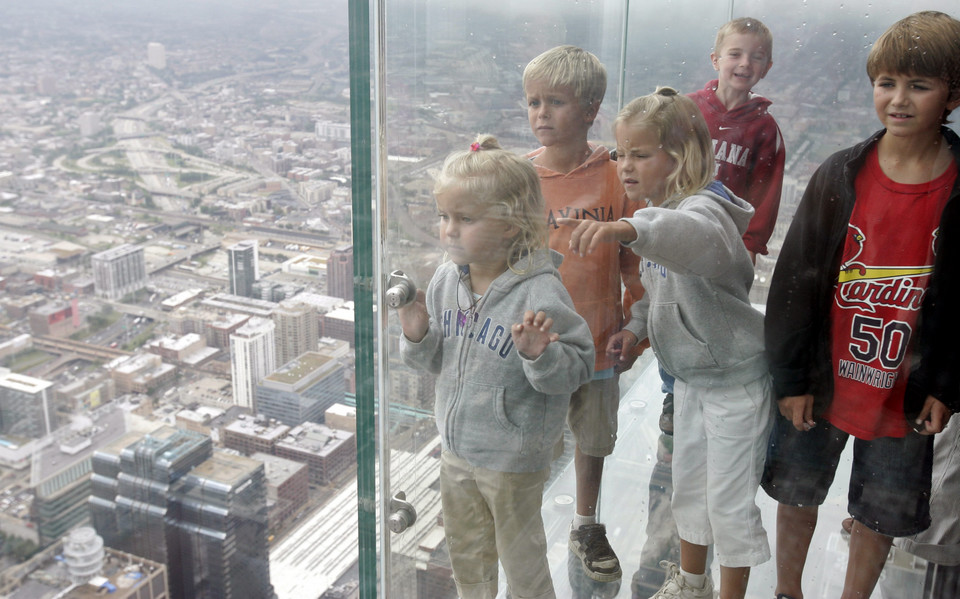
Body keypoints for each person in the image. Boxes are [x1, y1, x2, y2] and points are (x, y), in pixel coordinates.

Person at [761, 11, 960, 599]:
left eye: (919, 86)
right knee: (798, 493)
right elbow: (795, 284)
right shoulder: (841, 173)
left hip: (906, 393)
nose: (898, 99)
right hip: (825, 381)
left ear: (953, 92)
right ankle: (788, 590)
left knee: (881, 512)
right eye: (886, 83)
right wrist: (792, 377)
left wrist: (946, 386)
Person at [559, 87, 773, 599]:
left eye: (640, 154)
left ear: (681, 158)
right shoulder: (661, 214)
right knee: (689, 496)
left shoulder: (706, 212)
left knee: (728, 505)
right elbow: (659, 291)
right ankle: (692, 583)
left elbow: (690, 238)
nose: (625, 167)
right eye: (620, 154)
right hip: (693, 382)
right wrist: (636, 330)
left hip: (735, 383)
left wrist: (630, 227)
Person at [396, 134, 595, 599]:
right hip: (456, 450)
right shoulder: (448, 278)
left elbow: (579, 366)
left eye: (465, 219)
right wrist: (416, 331)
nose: (448, 230)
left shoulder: (539, 293)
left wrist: (538, 355)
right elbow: (432, 362)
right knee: (467, 556)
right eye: (444, 216)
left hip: (512, 458)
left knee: (521, 562)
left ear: (509, 226)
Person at [522, 44, 645, 583]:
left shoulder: (616, 177)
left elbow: (635, 261)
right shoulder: (517, 178)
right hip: (533, 342)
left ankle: (585, 522)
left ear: (591, 109)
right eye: (533, 102)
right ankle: (520, 522)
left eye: (556, 102)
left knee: (593, 438)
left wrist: (636, 325)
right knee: (528, 436)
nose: (541, 114)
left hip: (596, 338)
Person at [643, 17, 788, 439]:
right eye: (736, 54)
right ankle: (673, 391)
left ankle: (715, 390)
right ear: (716, 59)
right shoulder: (687, 111)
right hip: (677, 231)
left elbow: (766, 191)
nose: (745, 63)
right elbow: (657, 160)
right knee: (670, 312)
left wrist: (750, 245)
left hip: (725, 245)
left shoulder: (764, 129)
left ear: (767, 67)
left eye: (756, 57)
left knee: (713, 317)